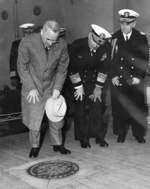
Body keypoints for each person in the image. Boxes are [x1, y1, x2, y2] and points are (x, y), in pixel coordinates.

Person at [17, 20, 71, 158]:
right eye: (49, 39)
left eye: (55, 40)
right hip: (33, 85)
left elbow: (62, 68)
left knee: (57, 117)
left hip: (52, 85)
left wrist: (58, 88)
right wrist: (30, 88)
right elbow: (22, 67)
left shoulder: (62, 44)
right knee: (35, 120)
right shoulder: (27, 42)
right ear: (42, 32)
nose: (52, 43)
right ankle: (34, 146)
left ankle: (57, 144)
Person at [69, 24, 111, 148]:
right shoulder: (77, 45)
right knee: (81, 110)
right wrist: (78, 86)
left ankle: (99, 137)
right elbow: (71, 68)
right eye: (96, 42)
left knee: (98, 109)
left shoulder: (105, 47)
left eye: (101, 43)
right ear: (90, 35)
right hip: (78, 81)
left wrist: (98, 87)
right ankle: (83, 138)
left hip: (95, 82)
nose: (98, 46)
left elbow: (104, 69)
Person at [110, 9, 149, 143]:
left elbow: (144, 60)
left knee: (137, 107)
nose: (124, 26)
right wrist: (113, 76)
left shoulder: (141, 38)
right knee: (120, 108)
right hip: (120, 79)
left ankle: (138, 134)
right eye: (122, 23)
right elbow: (111, 59)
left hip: (135, 79)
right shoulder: (114, 37)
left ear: (134, 23)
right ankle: (121, 133)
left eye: (128, 23)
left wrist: (138, 77)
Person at [10, 23, 35, 89]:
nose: (28, 34)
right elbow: (12, 61)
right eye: (26, 32)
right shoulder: (16, 44)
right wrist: (13, 77)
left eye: (30, 32)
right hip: (20, 77)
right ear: (23, 33)